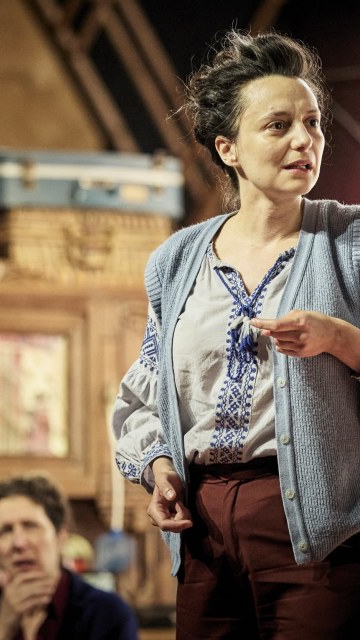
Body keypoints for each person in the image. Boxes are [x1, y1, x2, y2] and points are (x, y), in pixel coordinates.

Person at [112, 28, 360, 639]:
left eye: (312, 123)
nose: (305, 139)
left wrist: (337, 337)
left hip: (319, 530)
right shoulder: (177, 260)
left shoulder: (349, 243)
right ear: (229, 148)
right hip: (203, 531)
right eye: (278, 125)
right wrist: (159, 466)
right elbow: (144, 391)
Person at [0, 473, 138, 640]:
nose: (19, 543)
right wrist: (2, 630)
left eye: (30, 526)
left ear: (61, 536)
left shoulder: (107, 614)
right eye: (5, 531)